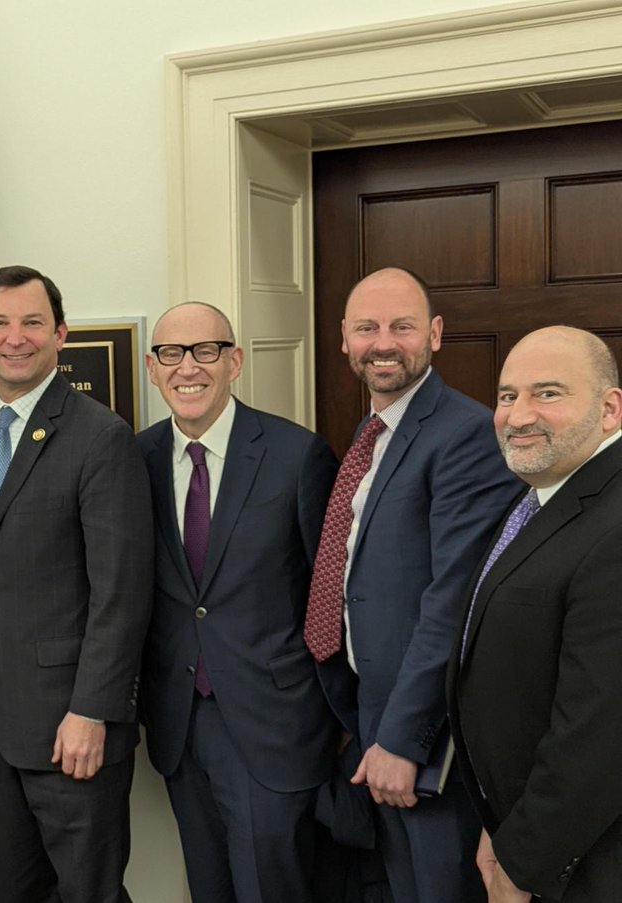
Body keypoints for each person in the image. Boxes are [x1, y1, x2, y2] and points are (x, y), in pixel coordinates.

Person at [307, 266, 519, 903]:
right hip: (367, 714)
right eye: (367, 328)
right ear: (344, 338)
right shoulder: (374, 431)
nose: (383, 343)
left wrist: (403, 739)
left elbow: (454, 602)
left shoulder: (466, 435)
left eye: (401, 327)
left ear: (434, 334)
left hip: (429, 737)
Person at [0, 265, 153, 903]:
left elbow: (121, 592)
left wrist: (92, 709)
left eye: (32, 322)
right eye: (0, 323)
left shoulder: (101, 437)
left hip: (72, 724)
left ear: (60, 334)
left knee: (87, 891)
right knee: (16, 889)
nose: (16, 337)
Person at [138, 301, 339, 902]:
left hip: (273, 723)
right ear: (152, 369)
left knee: (271, 887)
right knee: (209, 886)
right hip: (178, 719)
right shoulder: (134, 458)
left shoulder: (297, 455)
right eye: (171, 353)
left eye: (206, 351)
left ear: (235, 362)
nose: (187, 368)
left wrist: (339, 722)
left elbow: (329, 596)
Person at [449, 326, 622, 903]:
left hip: (586, 866)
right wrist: (497, 826)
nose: (518, 415)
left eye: (547, 393)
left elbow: (597, 736)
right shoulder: (539, 495)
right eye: (506, 396)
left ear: (609, 409)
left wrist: (522, 864)